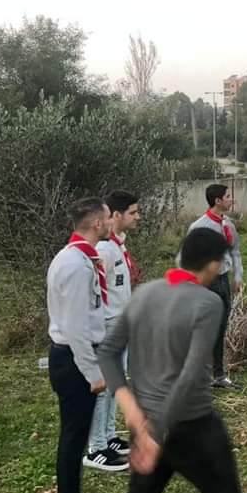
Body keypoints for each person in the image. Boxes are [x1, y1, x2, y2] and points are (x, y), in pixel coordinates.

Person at [99, 228, 243, 493]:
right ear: (214, 265)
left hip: (146, 422)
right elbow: (192, 374)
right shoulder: (208, 303)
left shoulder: (144, 293)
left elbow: (108, 353)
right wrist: (156, 431)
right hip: (192, 427)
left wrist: (136, 416)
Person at [47, 197, 113, 493]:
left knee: (77, 432)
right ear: (97, 223)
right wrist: (92, 372)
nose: (112, 222)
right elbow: (75, 328)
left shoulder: (82, 258)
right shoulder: (74, 264)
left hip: (76, 355)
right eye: (108, 217)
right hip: (73, 359)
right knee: (73, 436)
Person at [84, 190, 141, 473]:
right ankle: (96, 447)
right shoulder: (105, 250)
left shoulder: (118, 246)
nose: (137, 217)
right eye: (133, 212)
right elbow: (95, 291)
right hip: (108, 325)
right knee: (105, 386)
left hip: (121, 323)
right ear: (116, 215)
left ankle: (108, 436)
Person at [184, 183, 243, 390]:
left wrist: (238, 276)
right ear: (217, 201)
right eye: (228, 196)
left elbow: (235, 251)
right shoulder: (199, 227)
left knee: (220, 329)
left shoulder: (228, 224)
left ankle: (218, 375)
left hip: (223, 280)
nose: (231, 199)